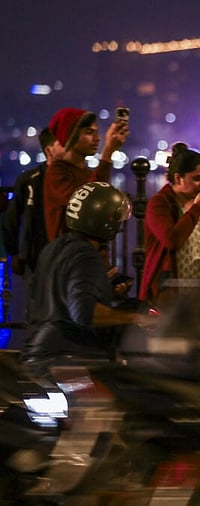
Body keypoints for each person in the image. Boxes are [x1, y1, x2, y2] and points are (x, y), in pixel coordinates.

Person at [23, 182, 137, 370]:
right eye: (116, 217)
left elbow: (59, 295)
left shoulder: (55, 247)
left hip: (37, 350)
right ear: (104, 219)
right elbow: (84, 313)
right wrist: (134, 318)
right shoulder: (87, 255)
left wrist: (104, 289)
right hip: (69, 359)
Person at [140, 144, 200, 303]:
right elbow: (172, 240)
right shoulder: (160, 204)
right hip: (172, 296)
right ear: (178, 178)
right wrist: (197, 208)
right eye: (196, 178)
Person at [43, 107, 129, 241]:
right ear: (70, 136)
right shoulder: (57, 172)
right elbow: (88, 203)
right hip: (70, 255)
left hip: (91, 253)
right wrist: (108, 151)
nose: (97, 139)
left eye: (97, 132)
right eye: (89, 132)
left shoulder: (86, 172)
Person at [3, 128, 62, 279]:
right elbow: (12, 218)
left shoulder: (31, 179)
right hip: (35, 257)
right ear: (49, 150)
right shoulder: (29, 180)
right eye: (62, 143)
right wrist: (14, 253)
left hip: (62, 257)